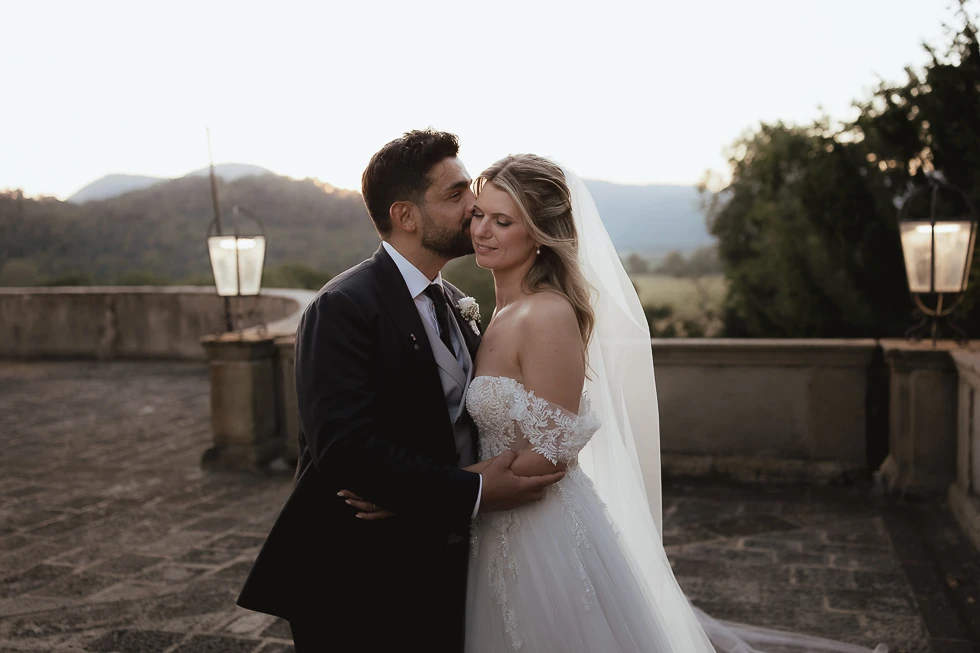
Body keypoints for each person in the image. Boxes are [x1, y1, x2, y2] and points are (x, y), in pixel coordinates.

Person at [453, 154, 888, 652]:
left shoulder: (546, 315)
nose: (482, 230)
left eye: (502, 221)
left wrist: (441, 489)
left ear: (539, 235)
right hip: (495, 519)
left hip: (537, 535)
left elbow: (553, 452)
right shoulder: (498, 311)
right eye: (479, 214)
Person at [235, 132, 564, 653]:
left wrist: (418, 499)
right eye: (456, 194)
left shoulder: (456, 301)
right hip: (358, 579)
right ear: (407, 216)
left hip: (442, 564)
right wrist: (469, 492)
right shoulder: (343, 306)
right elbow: (344, 448)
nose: (475, 205)